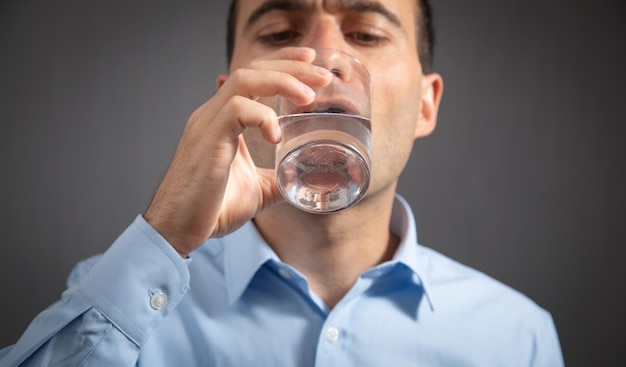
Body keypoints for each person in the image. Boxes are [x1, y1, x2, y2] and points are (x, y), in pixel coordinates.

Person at [0, 0, 564, 365]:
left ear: (426, 104)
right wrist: (166, 232)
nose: (323, 59)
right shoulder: (118, 303)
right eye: (280, 32)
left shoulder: (518, 339)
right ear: (232, 93)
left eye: (365, 33)